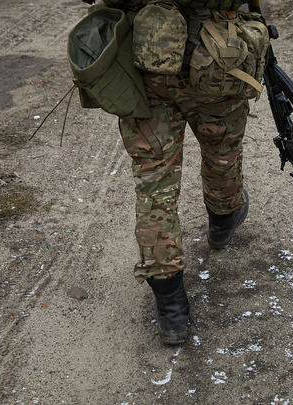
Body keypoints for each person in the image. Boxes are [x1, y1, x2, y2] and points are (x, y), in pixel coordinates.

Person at [79, 0, 263, 345]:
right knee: (221, 155)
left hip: (144, 62)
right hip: (216, 60)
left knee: (154, 183)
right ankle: (223, 221)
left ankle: (171, 307)